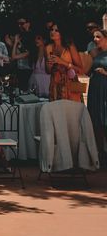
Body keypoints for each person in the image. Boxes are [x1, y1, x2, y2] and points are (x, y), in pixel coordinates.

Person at [45, 24, 84, 102]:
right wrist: (49, 64)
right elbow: (48, 71)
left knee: (71, 112)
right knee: (57, 112)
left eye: (56, 30)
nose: (52, 32)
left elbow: (81, 70)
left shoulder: (70, 47)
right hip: (55, 85)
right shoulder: (48, 48)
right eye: (51, 30)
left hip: (71, 85)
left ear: (62, 33)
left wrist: (62, 62)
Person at [87, 29, 107, 163]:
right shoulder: (97, 53)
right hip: (95, 89)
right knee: (96, 120)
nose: (95, 39)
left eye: (98, 37)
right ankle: (101, 153)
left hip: (105, 89)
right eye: (94, 37)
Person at [28, 33, 50, 97]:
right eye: (35, 39)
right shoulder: (33, 52)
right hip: (35, 81)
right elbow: (14, 56)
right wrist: (15, 42)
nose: (36, 40)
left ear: (44, 40)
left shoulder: (48, 52)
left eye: (39, 38)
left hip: (46, 82)